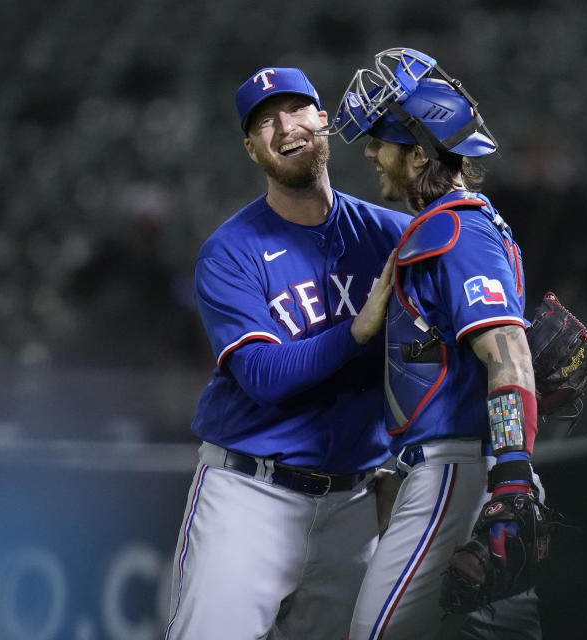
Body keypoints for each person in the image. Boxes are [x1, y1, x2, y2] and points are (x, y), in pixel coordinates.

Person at [164, 66, 409, 639]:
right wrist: (355, 331)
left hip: (355, 499)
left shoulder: (391, 234)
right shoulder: (230, 252)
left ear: (323, 120)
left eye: (296, 109)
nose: (284, 127)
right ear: (252, 149)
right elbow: (263, 376)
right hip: (251, 493)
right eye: (264, 122)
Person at [323, 48, 544, 639]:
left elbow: (509, 352)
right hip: (472, 468)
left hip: (459, 473)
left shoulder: (455, 229)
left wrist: (513, 477)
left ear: (420, 154)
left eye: (383, 141)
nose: (371, 151)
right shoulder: (455, 225)